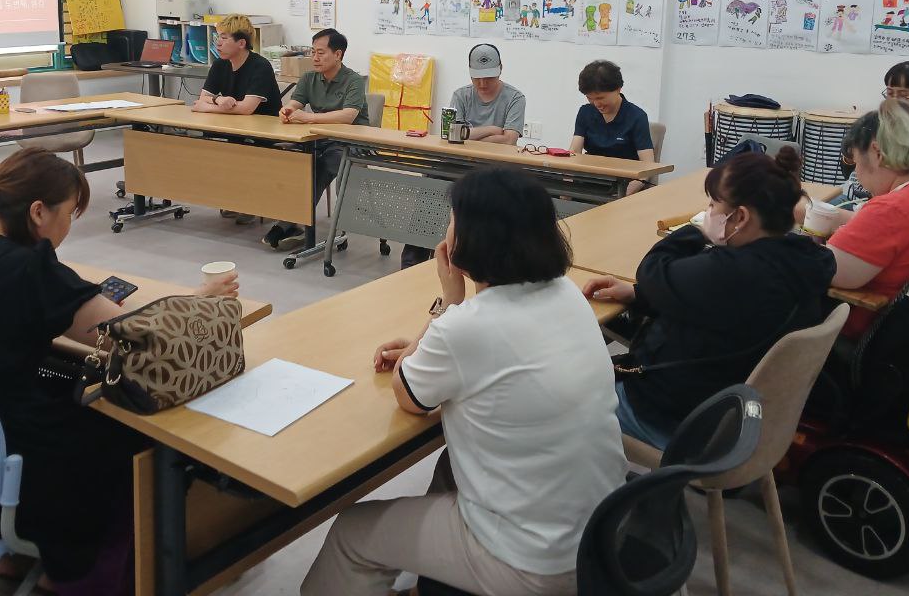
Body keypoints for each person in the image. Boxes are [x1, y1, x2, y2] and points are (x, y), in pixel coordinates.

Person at [0, 147, 239, 594]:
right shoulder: (30, 270)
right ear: (38, 212)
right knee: (129, 435)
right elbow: (129, 336)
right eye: (70, 214)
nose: (69, 226)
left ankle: (14, 564)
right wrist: (198, 300)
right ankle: (72, 576)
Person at [303, 167, 626, 596]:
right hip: (600, 530)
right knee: (446, 469)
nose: (447, 228)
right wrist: (434, 341)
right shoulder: (564, 292)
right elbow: (466, 354)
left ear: (473, 239)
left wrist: (448, 303)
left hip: (531, 562)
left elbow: (408, 395)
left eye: (453, 220)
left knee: (352, 534)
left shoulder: (466, 327)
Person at [583, 147, 835, 449]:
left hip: (676, 422)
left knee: (561, 398)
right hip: (735, 417)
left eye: (714, 204)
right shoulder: (805, 260)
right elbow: (706, 303)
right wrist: (637, 294)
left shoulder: (735, 272)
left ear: (740, 217)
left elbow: (652, 270)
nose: (710, 211)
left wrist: (695, 227)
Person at [825, 100, 909, 338]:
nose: (858, 176)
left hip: (860, 333)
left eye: (856, 163)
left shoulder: (893, 208)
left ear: (877, 152)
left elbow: (825, 268)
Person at [400, 44, 526, 269]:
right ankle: (412, 262)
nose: (482, 84)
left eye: (488, 77)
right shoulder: (461, 95)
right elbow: (452, 136)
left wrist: (467, 135)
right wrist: (491, 129)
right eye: (477, 78)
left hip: (492, 169)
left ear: (500, 70)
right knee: (429, 188)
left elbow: (509, 140)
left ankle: (473, 262)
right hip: (456, 163)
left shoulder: (515, 98)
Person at [264, 28, 370, 251]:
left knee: (324, 164)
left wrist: (309, 118)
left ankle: (328, 229)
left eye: (321, 53)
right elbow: (295, 103)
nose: (315, 58)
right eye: (313, 52)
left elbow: (348, 116)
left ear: (338, 54)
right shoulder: (309, 77)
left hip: (350, 144)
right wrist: (288, 111)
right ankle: (293, 221)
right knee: (295, 162)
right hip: (319, 140)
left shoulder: (354, 80)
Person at [193, 13, 285, 225]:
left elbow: (246, 109)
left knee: (241, 147)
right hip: (233, 127)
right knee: (208, 144)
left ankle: (250, 201)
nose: (218, 42)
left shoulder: (259, 66)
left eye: (224, 38)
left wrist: (211, 106)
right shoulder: (220, 64)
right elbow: (201, 101)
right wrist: (218, 102)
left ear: (241, 42)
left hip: (265, 132)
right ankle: (235, 198)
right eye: (218, 37)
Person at [838, 59, 909, 201]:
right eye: (890, 93)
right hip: (856, 196)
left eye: (904, 95)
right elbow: (850, 172)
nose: (894, 101)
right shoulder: (877, 124)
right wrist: (851, 157)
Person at [569, 59, 655, 195]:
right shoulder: (585, 112)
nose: (596, 104)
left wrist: (626, 192)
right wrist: (568, 184)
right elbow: (574, 151)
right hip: (590, 181)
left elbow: (649, 166)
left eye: (601, 98)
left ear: (618, 89)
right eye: (590, 98)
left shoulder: (636, 117)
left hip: (624, 184)